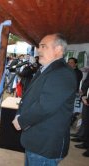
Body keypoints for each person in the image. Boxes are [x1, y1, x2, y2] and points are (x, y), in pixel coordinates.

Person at [12, 33, 77, 165]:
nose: (38, 50)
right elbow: (31, 97)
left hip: (45, 145)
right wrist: (19, 113)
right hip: (37, 141)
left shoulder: (62, 73)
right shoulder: (47, 69)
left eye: (43, 46)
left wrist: (22, 120)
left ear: (58, 50)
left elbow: (45, 106)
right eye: (38, 46)